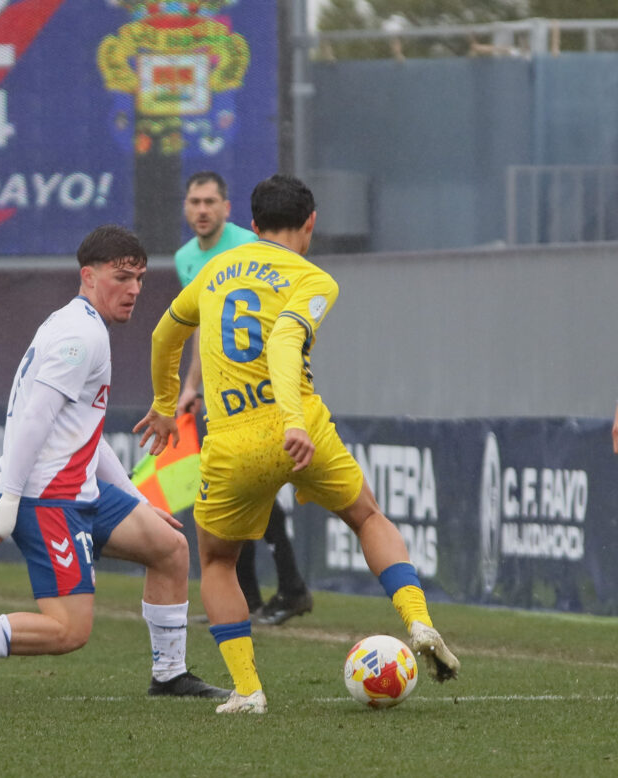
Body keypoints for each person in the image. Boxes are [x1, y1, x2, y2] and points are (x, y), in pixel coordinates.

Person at [135, 174, 460, 714]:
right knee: (367, 517)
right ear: (311, 223)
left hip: (234, 437)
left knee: (216, 560)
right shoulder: (315, 279)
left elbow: (164, 334)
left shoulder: (215, 268)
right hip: (300, 424)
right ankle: (419, 621)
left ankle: (248, 689)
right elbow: (286, 339)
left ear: (253, 226)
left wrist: (166, 404)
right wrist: (291, 420)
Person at [0, 225, 229, 702]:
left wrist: (139, 500)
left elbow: (84, 434)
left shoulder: (81, 325)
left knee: (169, 548)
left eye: (140, 278)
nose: (135, 289)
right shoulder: (79, 336)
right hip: (48, 500)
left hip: (82, 492)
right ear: (88, 275)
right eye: (122, 277)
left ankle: (170, 674)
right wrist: (9, 500)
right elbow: (33, 418)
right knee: (69, 631)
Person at [175, 171, 312, 626]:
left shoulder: (243, 249)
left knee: (255, 491)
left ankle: (288, 589)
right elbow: (202, 329)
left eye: (210, 201)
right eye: (194, 201)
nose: (201, 210)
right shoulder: (187, 259)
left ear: (229, 209)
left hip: (263, 394)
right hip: (220, 396)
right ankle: (252, 597)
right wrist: (191, 386)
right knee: (240, 494)